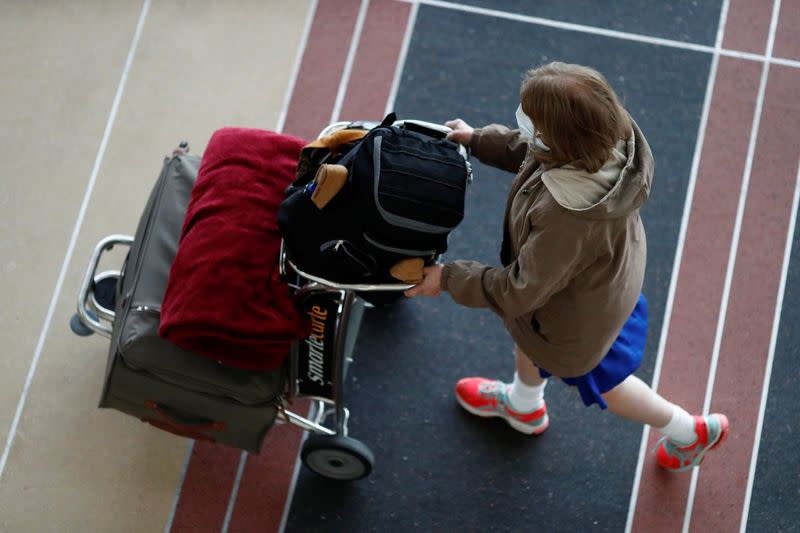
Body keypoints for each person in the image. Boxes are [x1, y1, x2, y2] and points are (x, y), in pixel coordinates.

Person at [404, 61, 728, 472]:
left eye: (531, 121)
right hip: (597, 282)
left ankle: (689, 431)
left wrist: (447, 278)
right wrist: (479, 139)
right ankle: (524, 405)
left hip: (575, 319)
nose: (523, 124)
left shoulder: (567, 220)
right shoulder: (599, 143)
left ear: (556, 139)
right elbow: (530, 152)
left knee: (603, 381)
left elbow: (518, 291)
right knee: (528, 335)